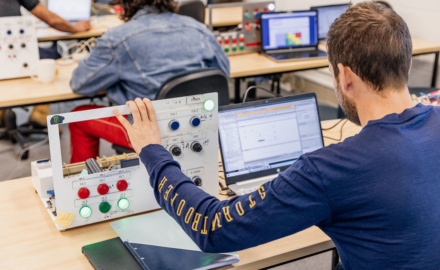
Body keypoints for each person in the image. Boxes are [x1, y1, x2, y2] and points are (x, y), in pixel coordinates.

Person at [113, 1, 440, 269]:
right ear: (407, 66)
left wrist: (153, 150)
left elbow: (211, 226)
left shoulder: (330, 169)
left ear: (344, 76)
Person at [68, 0, 229, 164]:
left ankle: (82, 184)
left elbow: (80, 84)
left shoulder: (117, 38)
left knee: (76, 118)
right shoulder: (198, 28)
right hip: (200, 126)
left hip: (151, 134)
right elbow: (223, 73)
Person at [0, 0, 91, 128]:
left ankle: (2, 112)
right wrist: (75, 28)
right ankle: (40, 114)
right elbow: (53, 20)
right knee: (52, 56)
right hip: (12, 54)